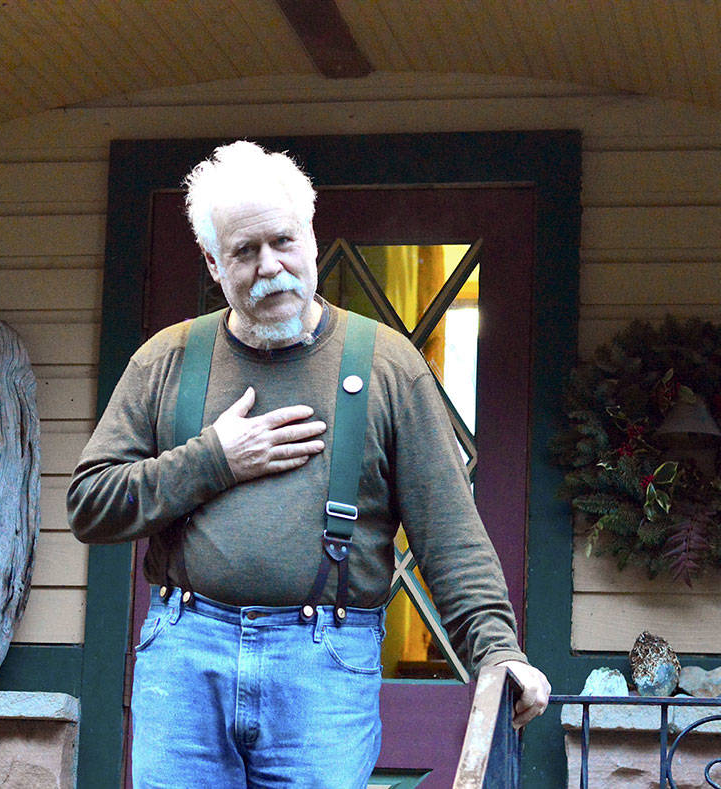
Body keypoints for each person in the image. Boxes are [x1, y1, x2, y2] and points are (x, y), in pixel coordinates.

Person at [67, 140, 549, 788]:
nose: (271, 266)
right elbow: (89, 503)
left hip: (324, 661)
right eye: (245, 251)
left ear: (311, 236)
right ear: (213, 262)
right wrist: (214, 459)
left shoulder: (385, 366)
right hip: (184, 655)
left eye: (283, 241)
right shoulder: (166, 360)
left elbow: (449, 534)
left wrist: (497, 649)